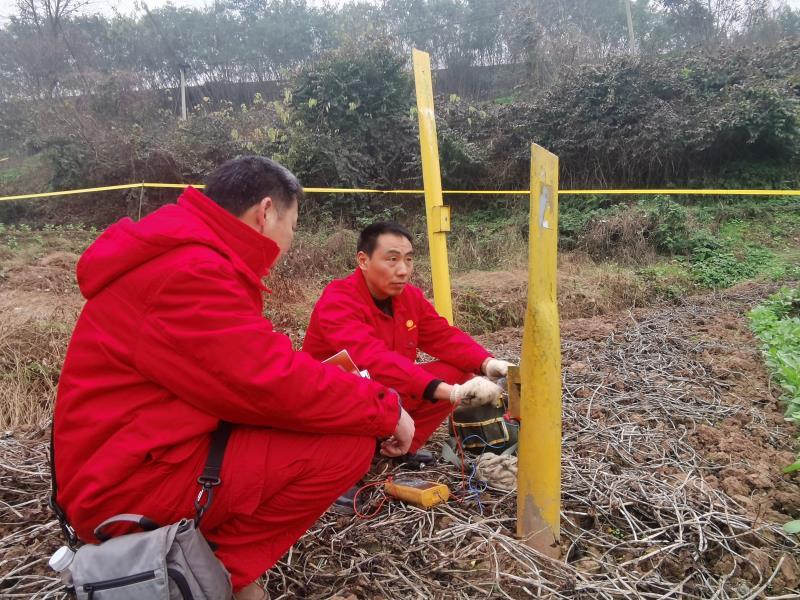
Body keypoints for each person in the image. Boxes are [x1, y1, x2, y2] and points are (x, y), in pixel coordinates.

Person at [52, 157, 414, 600]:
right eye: (294, 226)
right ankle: (212, 578)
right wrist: (383, 406)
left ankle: (212, 565)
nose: (291, 241)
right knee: (344, 444)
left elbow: (249, 371)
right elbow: (268, 381)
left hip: (135, 451)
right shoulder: (190, 271)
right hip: (122, 482)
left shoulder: (187, 254)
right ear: (266, 213)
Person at [302, 221, 513, 462]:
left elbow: (442, 336)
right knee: (386, 397)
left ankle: (401, 447)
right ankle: (340, 462)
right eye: (392, 259)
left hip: (386, 390)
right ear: (363, 260)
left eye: (409, 259)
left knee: (457, 369)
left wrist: (486, 363)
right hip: (338, 398)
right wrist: (451, 392)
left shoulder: (409, 297)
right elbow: (372, 357)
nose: (403, 270)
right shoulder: (338, 300)